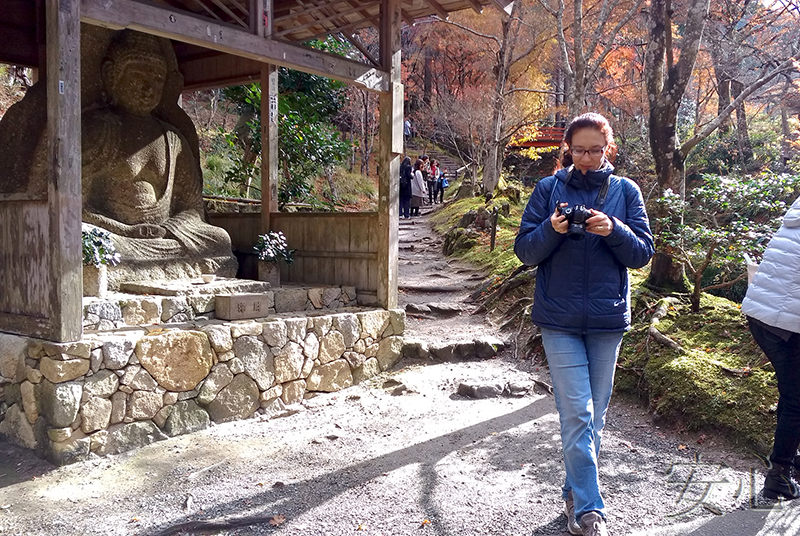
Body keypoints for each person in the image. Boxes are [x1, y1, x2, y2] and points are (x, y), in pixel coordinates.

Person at [514, 113, 654, 536]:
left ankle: (575, 488)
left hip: (607, 319)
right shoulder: (548, 188)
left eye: (596, 150)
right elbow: (525, 251)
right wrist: (552, 229)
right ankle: (591, 510)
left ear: (608, 148)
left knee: (596, 416)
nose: (588, 158)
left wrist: (613, 229)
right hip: (558, 320)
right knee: (576, 413)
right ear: (568, 150)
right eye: (579, 150)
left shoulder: (626, 191)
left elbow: (643, 253)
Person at [741, 194, 800, 501]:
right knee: (796, 397)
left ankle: (790, 463)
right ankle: (779, 475)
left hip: (764, 313)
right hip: (785, 323)